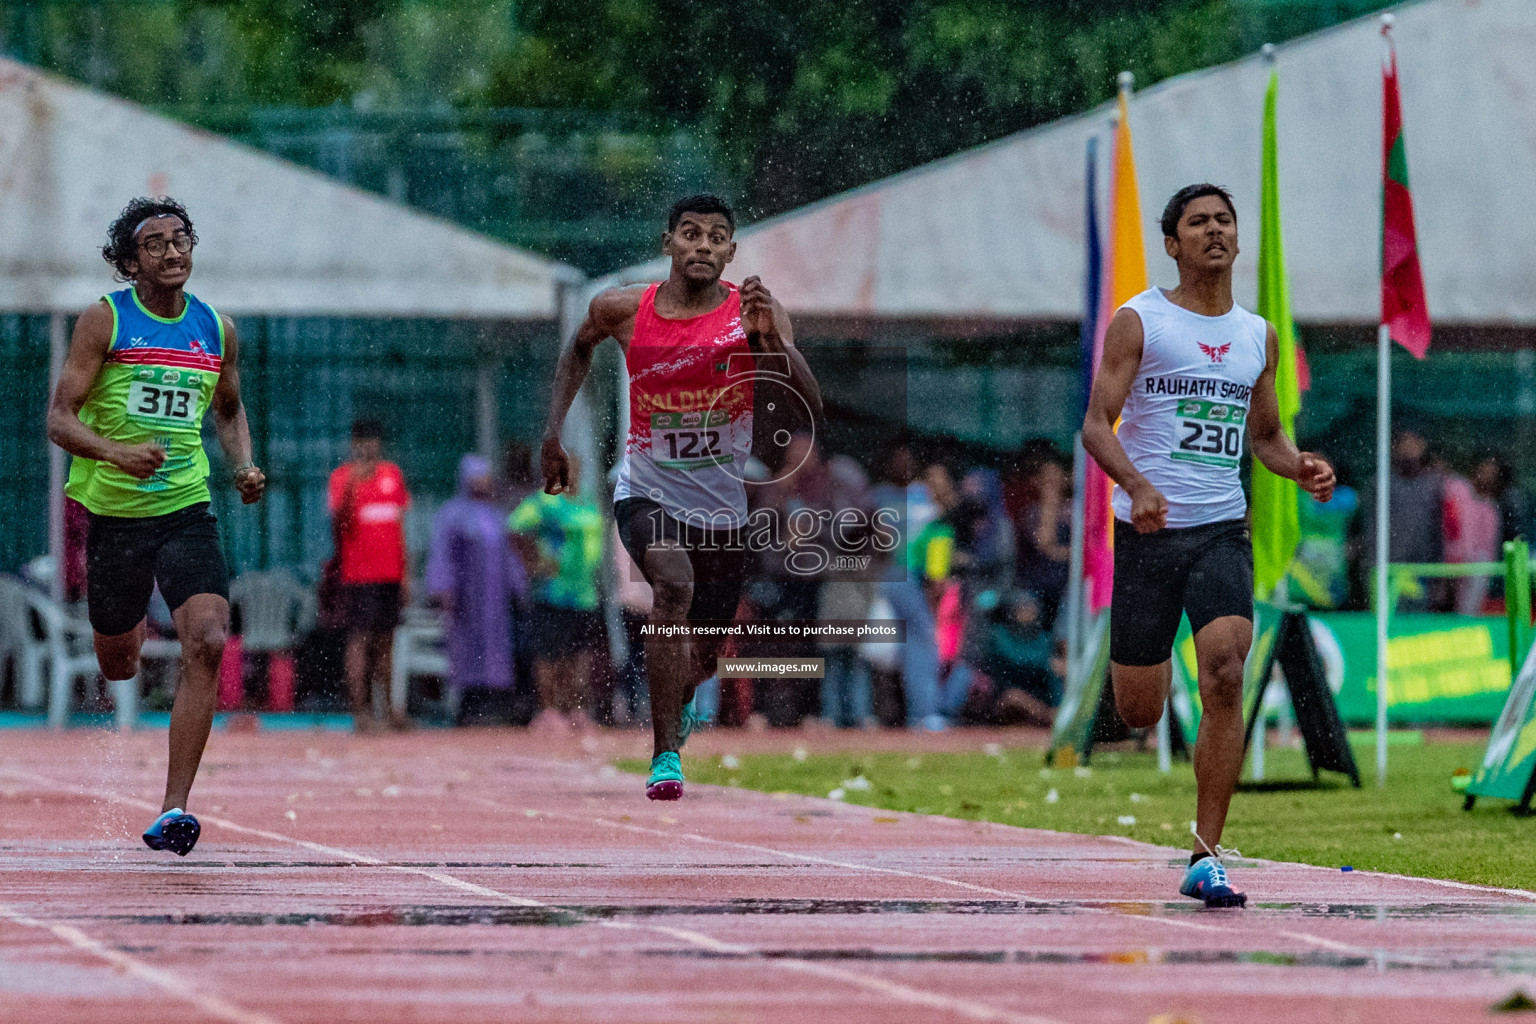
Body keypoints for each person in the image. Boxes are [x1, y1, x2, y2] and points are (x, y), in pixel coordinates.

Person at [1081, 183, 1334, 908]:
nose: (1215, 231)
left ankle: (1206, 852)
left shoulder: (1258, 334)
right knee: (1140, 710)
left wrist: (1300, 464)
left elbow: (1264, 436)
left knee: (1226, 671)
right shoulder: (1141, 321)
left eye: (1225, 220)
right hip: (1148, 533)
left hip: (1222, 527)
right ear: (1174, 243)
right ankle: (1141, 685)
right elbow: (1097, 424)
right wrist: (1135, 486)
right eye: (1199, 222)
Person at [540, 194, 822, 799]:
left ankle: (684, 694)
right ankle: (665, 754)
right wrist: (554, 433)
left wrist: (770, 340)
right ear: (668, 242)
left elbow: (807, 400)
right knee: (672, 587)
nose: (703, 245)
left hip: (721, 511)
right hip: (646, 492)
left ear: (731, 252)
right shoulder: (623, 309)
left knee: (704, 655)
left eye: (717, 237)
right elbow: (579, 348)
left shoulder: (757, 312)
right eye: (690, 234)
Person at [45, 197, 266, 856]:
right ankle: (123, 634)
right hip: (114, 515)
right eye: (156, 244)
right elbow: (60, 417)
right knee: (119, 663)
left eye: (182, 240)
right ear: (129, 262)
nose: (173, 253)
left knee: (208, 638)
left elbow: (228, 410)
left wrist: (244, 466)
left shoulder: (216, 329)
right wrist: (115, 452)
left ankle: (175, 810)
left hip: (186, 510)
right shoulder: (104, 321)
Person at [425, 454, 529, 724]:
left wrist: (519, 585)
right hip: (466, 599)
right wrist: (443, 587)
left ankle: (495, 703)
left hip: (495, 600)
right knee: (466, 649)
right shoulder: (452, 514)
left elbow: (508, 555)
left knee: (497, 649)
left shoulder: (497, 515)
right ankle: (468, 705)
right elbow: (441, 554)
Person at [509, 455, 606, 731]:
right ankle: (549, 709)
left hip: (584, 594)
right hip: (552, 593)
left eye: (575, 469)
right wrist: (534, 562)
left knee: (578, 655)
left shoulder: (587, 501)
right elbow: (514, 528)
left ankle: (574, 707)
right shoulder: (546, 502)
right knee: (550, 654)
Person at [328, 419, 411, 733]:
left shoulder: (393, 474)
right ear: (353, 444)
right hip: (359, 575)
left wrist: (405, 576)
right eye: (363, 441)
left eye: (374, 441)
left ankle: (388, 711)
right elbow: (338, 525)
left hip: (390, 574)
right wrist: (353, 486)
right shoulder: (341, 478)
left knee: (386, 642)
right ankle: (361, 713)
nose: (369, 447)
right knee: (359, 641)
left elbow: (400, 527)